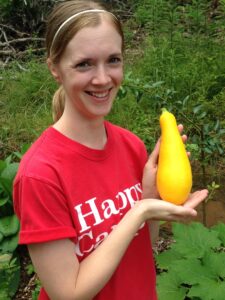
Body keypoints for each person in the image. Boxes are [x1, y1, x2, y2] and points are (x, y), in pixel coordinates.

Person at [13, 1, 208, 299]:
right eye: (84, 64)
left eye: (113, 60)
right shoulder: (40, 174)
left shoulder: (130, 145)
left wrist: (150, 199)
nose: (103, 78)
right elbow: (68, 293)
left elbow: (143, 245)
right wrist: (139, 211)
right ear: (54, 68)